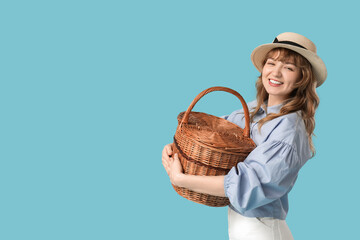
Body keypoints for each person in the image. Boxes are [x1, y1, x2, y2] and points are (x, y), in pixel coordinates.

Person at [162, 32, 327, 240]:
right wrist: (178, 148)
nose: (276, 73)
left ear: (302, 78)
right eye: (271, 63)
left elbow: (247, 186)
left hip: (263, 231)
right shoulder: (253, 111)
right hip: (243, 228)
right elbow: (213, 136)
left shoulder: (289, 130)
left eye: (288, 67)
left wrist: (182, 179)